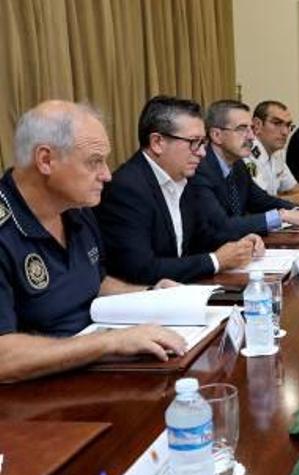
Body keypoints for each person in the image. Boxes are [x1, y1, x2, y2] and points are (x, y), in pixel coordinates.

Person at [0, 101, 186, 383]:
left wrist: (151, 292)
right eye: (94, 161)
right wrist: (109, 342)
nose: (107, 175)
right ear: (45, 160)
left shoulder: (77, 210)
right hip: (31, 401)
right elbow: (4, 359)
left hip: (90, 372)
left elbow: (93, 282)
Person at [96, 96, 264, 285]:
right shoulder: (127, 188)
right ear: (157, 142)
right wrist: (215, 261)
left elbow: (204, 234)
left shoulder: (184, 177)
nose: (201, 152)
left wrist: (242, 243)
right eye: (194, 142)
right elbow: (140, 269)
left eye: (203, 143)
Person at [190, 100, 299, 242]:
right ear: (216, 135)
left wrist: (297, 210)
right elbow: (222, 226)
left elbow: (261, 200)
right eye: (242, 129)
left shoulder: (238, 164)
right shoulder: (200, 169)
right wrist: (280, 216)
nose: (251, 136)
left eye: (251, 128)